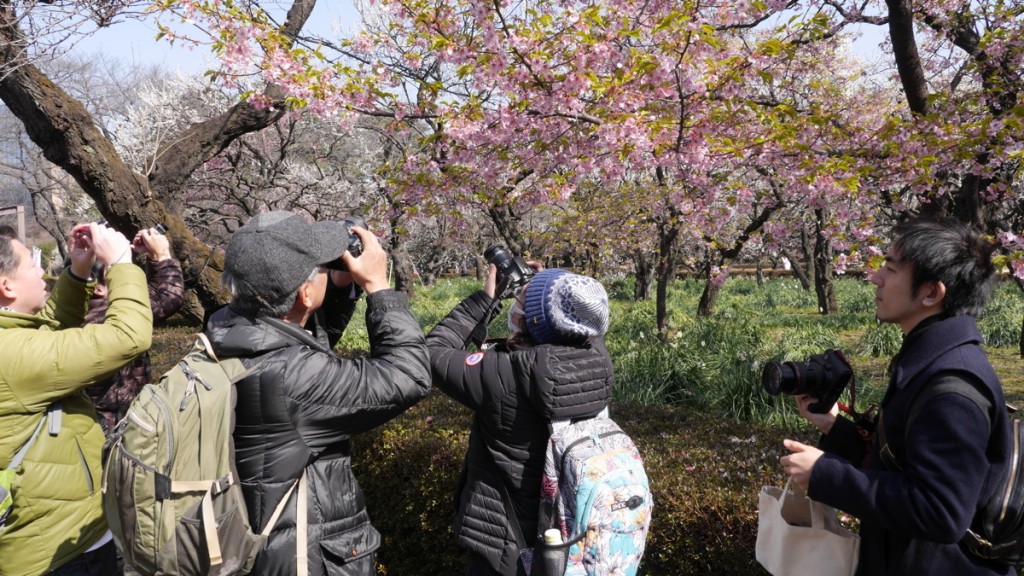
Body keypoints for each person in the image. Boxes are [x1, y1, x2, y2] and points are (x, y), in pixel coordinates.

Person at [781, 216, 1014, 575]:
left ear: (931, 293)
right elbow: (905, 464)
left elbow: (941, 511)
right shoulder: (931, 360)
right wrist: (834, 427)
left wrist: (826, 475)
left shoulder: (952, 388)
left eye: (890, 268)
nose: (875, 277)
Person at [203, 211, 431, 576]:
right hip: (304, 558)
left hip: (260, 548)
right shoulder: (294, 377)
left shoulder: (224, 333)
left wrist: (337, 288)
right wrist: (378, 287)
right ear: (305, 293)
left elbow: (294, 338)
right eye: (318, 267)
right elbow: (409, 374)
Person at [426, 265, 614, 576]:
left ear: (533, 321)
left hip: (505, 546)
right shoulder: (598, 362)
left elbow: (432, 353)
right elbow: (576, 320)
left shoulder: (504, 374)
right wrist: (551, 284)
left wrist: (485, 298)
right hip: (566, 537)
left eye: (523, 303)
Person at [0, 222, 153, 576]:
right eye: (31, 264)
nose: (42, 270)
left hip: (37, 540)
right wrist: (121, 264)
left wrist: (79, 268)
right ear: (6, 285)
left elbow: (50, 329)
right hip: (61, 552)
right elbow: (128, 335)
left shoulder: (13, 341)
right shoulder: (15, 357)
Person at [85, 225, 185, 434]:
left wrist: (152, 258)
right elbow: (167, 297)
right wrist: (162, 254)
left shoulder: (83, 313)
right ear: (98, 287)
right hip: (112, 424)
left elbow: (150, 294)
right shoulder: (105, 318)